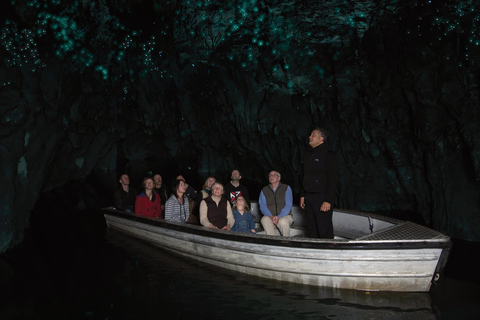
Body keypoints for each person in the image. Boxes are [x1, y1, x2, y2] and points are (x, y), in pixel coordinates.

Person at [300, 127, 338, 239]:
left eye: (313, 135)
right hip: (308, 196)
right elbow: (304, 176)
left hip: (321, 197)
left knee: (323, 228)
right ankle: (313, 251)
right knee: (311, 228)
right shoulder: (308, 154)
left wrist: (328, 200)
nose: (310, 137)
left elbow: (333, 179)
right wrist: (302, 195)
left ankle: (328, 252)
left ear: (321, 138)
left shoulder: (328, 154)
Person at [259, 170, 294, 236]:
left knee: (282, 221)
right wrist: (271, 216)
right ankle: (272, 240)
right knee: (264, 219)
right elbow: (262, 206)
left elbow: (288, 205)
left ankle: (286, 241)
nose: (271, 176)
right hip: (271, 216)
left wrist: (279, 216)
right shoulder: (264, 190)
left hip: (284, 216)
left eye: (274, 175)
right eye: (270, 175)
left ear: (279, 178)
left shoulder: (286, 188)